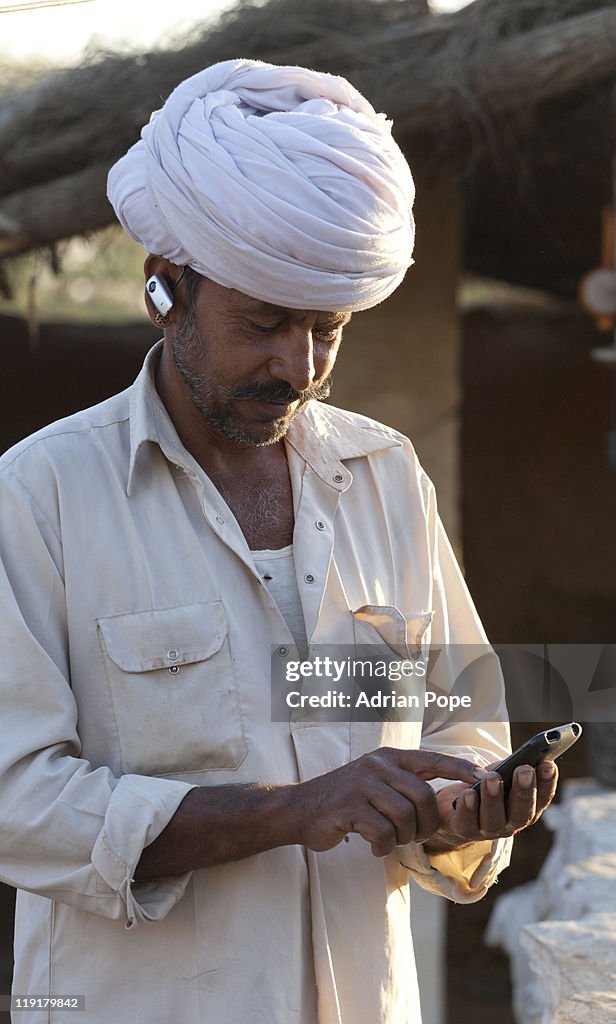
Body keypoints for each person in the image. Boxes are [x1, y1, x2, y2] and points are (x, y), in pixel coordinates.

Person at [0, 60, 557, 1023]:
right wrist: (289, 812)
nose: (298, 367)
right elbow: (19, 799)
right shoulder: (41, 493)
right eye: (262, 324)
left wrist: (469, 806)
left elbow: (457, 722)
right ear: (165, 289)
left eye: (326, 330)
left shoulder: (384, 478)